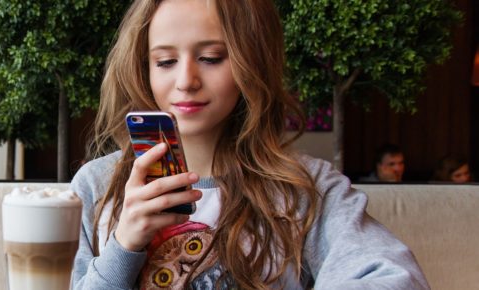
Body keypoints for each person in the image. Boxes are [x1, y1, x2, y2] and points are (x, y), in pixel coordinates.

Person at [69, 0, 428, 289]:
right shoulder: (97, 186)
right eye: (165, 61)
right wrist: (124, 246)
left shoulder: (307, 188)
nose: (186, 80)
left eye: (211, 58)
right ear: (142, 67)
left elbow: (394, 277)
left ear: (251, 59)